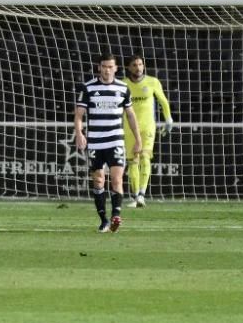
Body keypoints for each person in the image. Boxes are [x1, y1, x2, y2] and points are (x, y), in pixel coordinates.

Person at [74, 53, 143, 233]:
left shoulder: (122, 88)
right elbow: (79, 114)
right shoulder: (87, 87)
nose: (107, 70)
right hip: (96, 142)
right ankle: (104, 219)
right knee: (98, 181)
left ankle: (116, 216)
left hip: (115, 140)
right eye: (104, 66)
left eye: (110, 67)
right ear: (99, 68)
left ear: (116, 68)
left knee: (117, 179)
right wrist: (79, 133)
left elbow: (130, 115)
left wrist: (138, 139)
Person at [122, 55, 173, 207]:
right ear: (129, 68)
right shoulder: (123, 84)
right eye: (134, 65)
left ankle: (142, 195)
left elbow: (163, 100)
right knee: (133, 162)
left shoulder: (152, 82)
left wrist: (168, 119)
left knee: (145, 157)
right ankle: (136, 195)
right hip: (129, 128)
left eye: (140, 64)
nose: (138, 68)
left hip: (148, 126)